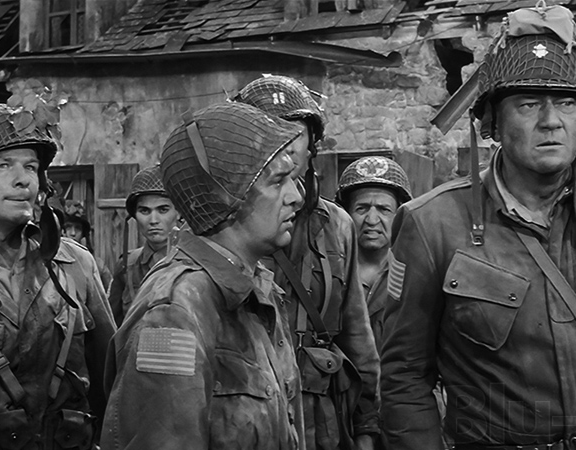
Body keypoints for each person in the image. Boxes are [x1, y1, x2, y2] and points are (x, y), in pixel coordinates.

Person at [380, 3, 576, 448]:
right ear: (493, 124)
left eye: (567, 103)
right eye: (528, 104)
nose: (551, 121)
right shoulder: (432, 225)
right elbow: (404, 377)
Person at [101, 102, 307, 449]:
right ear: (224, 195)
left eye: (294, 179)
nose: (296, 197)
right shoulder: (174, 312)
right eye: (277, 182)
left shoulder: (258, 286)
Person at [0, 103, 116, 449]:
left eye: (31, 166)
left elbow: (110, 381)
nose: (23, 179)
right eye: (3, 165)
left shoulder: (74, 263)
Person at [234, 75, 380, 450]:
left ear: (311, 144)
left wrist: (366, 426)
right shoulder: (223, 222)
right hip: (248, 414)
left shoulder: (337, 226)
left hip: (321, 418)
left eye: (293, 134)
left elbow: (356, 334)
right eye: (268, 132)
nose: (282, 145)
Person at [335, 156, 411, 353]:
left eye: (384, 209)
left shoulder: (414, 275)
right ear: (345, 214)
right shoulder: (330, 272)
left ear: (399, 216)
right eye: (362, 208)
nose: (372, 219)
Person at [107, 165, 181, 326]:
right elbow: (113, 327)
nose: (153, 220)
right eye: (144, 211)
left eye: (163, 210)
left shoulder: (193, 264)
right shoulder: (127, 265)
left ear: (179, 212)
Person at [60, 199, 113, 291]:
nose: (73, 233)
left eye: (78, 228)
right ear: (62, 231)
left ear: (83, 234)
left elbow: (110, 292)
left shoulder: (96, 265)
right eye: (68, 227)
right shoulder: (53, 263)